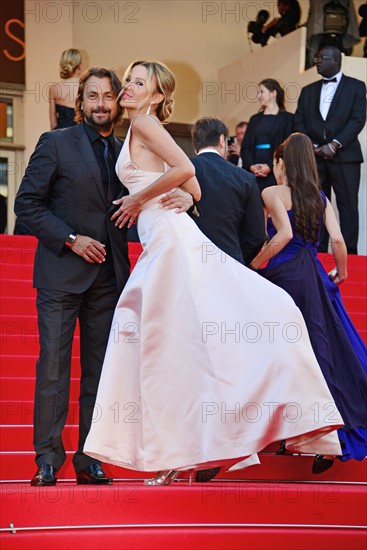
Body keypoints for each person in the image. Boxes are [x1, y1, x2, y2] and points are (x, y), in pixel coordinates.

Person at [83, 60, 343, 486]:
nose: (128, 87)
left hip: (171, 244)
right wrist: (180, 198)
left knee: (173, 342)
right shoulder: (134, 129)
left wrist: (138, 200)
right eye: (127, 81)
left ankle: (266, 421)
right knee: (174, 349)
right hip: (161, 240)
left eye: (138, 83)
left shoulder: (146, 124)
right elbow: (194, 189)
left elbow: (189, 173)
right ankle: (184, 449)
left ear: (157, 96)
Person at [14, 66, 194, 487]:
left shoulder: (127, 148)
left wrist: (186, 195)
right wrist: (71, 238)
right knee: (54, 369)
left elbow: (159, 183)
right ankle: (47, 457)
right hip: (61, 274)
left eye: (108, 96)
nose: (100, 104)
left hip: (110, 278)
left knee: (100, 372)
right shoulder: (55, 143)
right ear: (80, 103)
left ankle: (89, 457)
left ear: (118, 103)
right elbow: (27, 204)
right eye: (92, 96)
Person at [250, 133, 367, 472]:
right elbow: (339, 241)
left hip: (287, 276)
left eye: (276, 162)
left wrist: (254, 265)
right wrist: (341, 274)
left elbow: (282, 235)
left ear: (282, 163)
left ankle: (292, 430)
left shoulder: (271, 192)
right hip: (315, 275)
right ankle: (323, 433)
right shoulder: (319, 197)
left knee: (286, 353)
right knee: (324, 350)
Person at [294, 46, 366, 255]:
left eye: (323, 58)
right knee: (316, 206)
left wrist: (334, 144)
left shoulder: (357, 87)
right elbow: (299, 120)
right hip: (315, 158)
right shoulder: (308, 90)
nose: (318, 61)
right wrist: (314, 147)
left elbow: (358, 119)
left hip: (346, 157)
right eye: (317, 58)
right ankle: (318, 252)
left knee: (348, 207)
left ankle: (349, 254)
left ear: (337, 60)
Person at [188, 116, 266, 265]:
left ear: (195, 143)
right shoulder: (246, 178)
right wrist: (236, 258)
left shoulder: (183, 170)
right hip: (230, 260)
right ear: (222, 140)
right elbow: (257, 236)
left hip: (188, 260)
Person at [240, 79, 293, 193]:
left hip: (276, 172)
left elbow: (287, 148)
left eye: (262, 92)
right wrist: (251, 166)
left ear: (273, 93)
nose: (259, 96)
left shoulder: (288, 119)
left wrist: (270, 166)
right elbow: (245, 147)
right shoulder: (254, 119)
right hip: (253, 173)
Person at [305, 0, 360, 69]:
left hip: (318, 28)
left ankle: (311, 73)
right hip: (340, 30)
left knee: (313, 55)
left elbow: (313, 11)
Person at [49, 48, 82, 130]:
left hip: (60, 137)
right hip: (81, 136)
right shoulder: (86, 86)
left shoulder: (54, 88)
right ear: (79, 66)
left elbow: (53, 123)